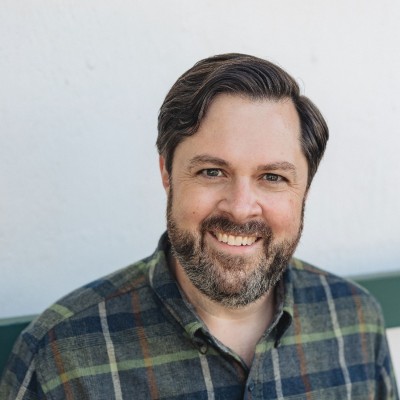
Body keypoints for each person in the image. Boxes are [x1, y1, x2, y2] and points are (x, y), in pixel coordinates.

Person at [0, 53, 398, 400]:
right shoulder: (59, 355)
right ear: (167, 173)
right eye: (212, 171)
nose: (240, 208)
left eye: (272, 177)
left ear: (305, 189)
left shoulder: (355, 321)